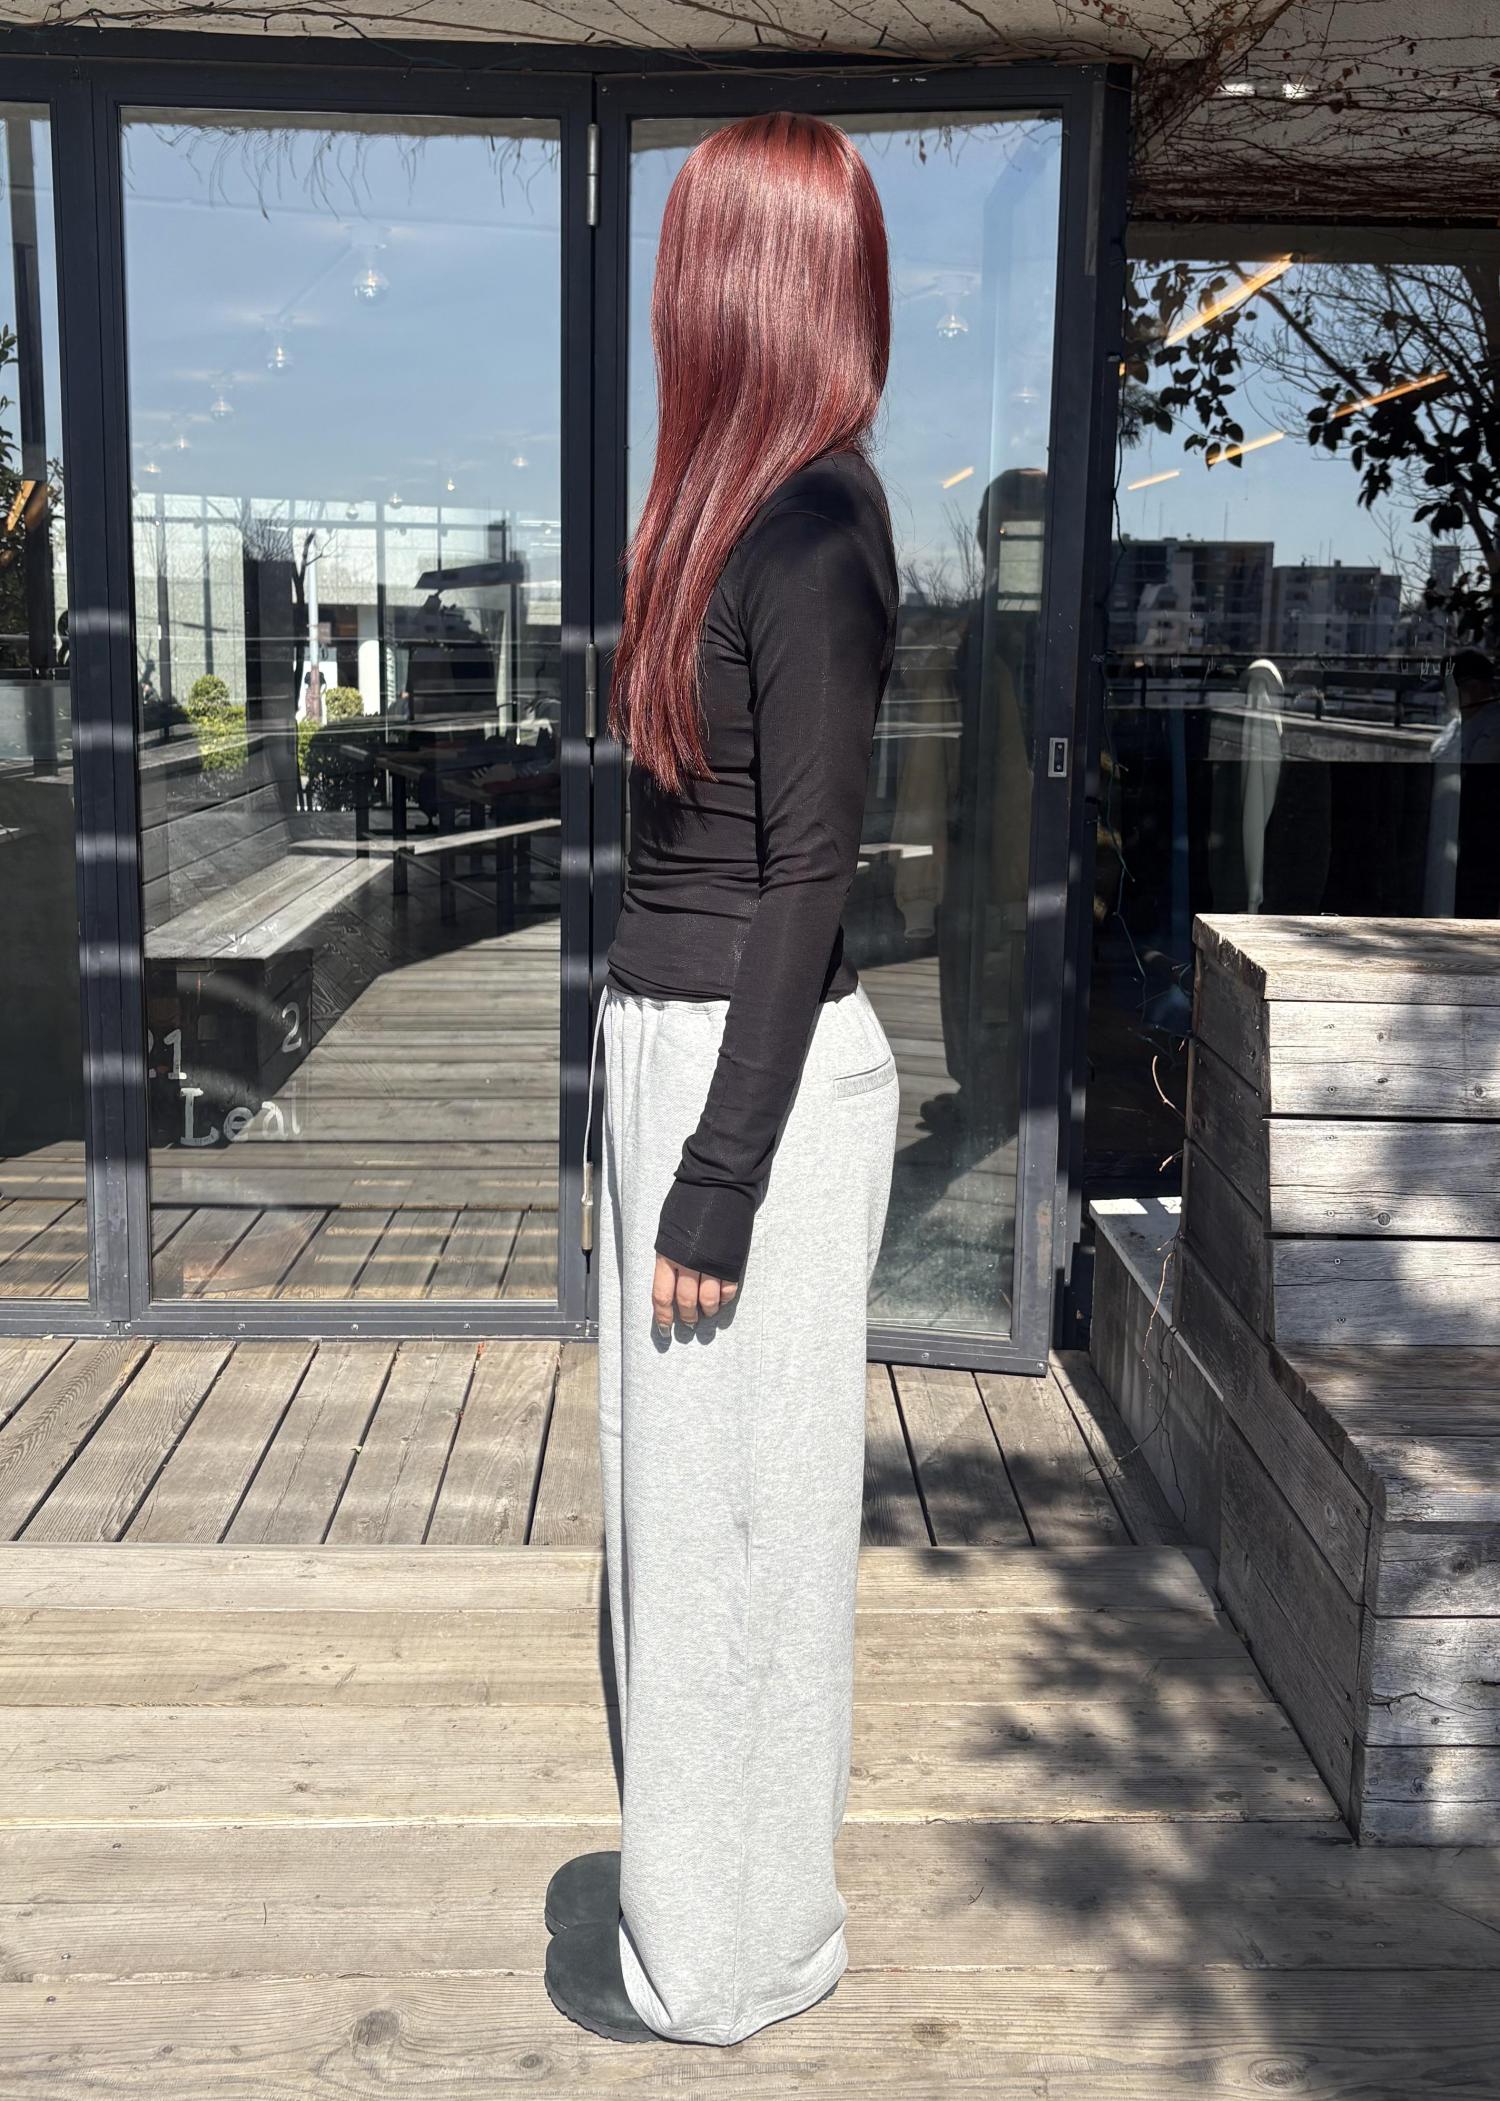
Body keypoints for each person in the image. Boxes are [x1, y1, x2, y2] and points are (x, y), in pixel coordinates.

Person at [542, 111, 901, 2048]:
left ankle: (740, 1949)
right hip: (679, 1052)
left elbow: (809, 873)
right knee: (677, 1537)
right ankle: (704, 1917)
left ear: (736, 286)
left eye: (691, 257)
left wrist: (714, 1174)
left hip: (748, 1092)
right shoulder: (735, 518)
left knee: (740, 1539)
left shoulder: (819, 531)